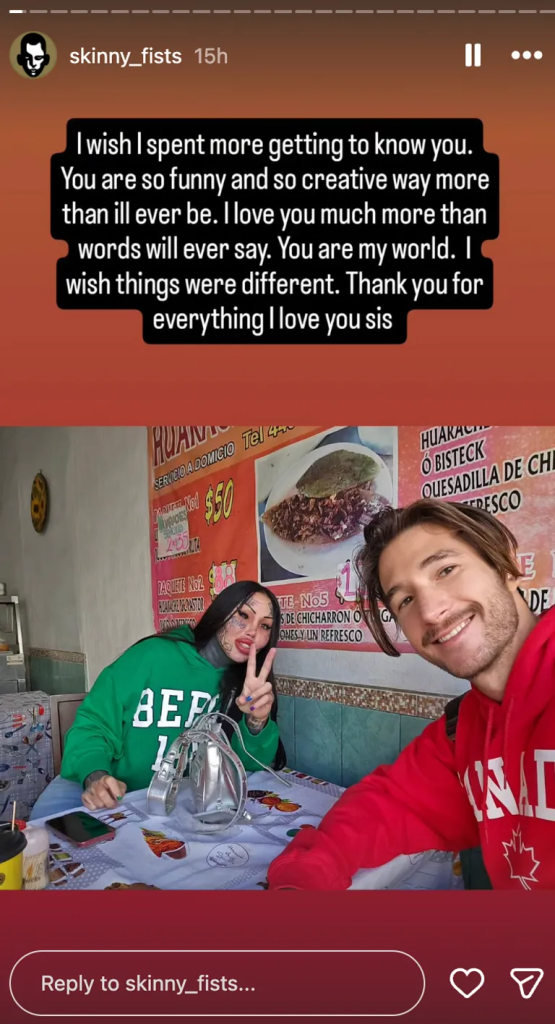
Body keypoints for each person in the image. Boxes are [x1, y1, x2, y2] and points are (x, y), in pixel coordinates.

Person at [268, 499, 555, 890]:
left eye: (446, 570)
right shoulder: (461, 734)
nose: (431, 612)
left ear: (505, 564)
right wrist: (302, 877)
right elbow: (385, 807)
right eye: (405, 600)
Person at [31, 581, 283, 819]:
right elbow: (93, 725)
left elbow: (247, 767)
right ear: (221, 612)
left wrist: (256, 721)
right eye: (243, 615)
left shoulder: (246, 687)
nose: (252, 631)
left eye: (265, 626)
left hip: (165, 804)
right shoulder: (151, 656)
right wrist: (95, 775)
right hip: (96, 789)